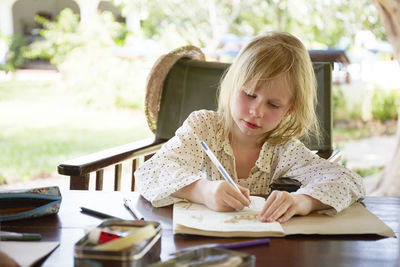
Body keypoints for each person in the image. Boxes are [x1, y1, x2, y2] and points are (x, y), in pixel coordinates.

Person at [135, 31, 365, 223]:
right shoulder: (203, 127)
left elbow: (350, 181)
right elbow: (151, 172)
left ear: (289, 110)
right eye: (249, 94)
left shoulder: (283, 149)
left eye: (273, 104)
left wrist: (302, 201)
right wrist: (204, 191)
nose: (257, 111)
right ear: (233, 84)